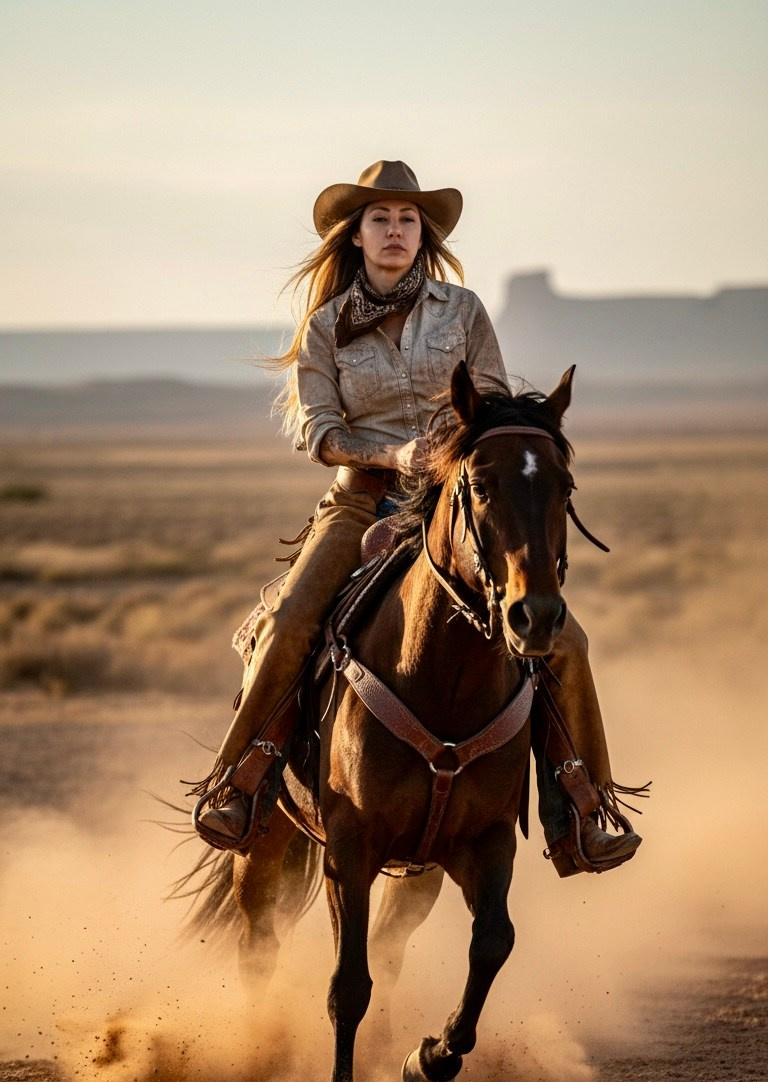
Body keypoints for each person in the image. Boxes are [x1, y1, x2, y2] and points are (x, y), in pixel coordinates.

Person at [191, 160, 642, 874]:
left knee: (565, 642)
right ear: (358, 236)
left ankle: (582, 809)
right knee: (289, 621)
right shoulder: (327, 327)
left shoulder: (462, 311)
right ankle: (240, 784)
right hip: (361, 499)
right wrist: (394, 453)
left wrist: (469, 458)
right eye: (381, 219)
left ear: (421, 235)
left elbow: (488, 404)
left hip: (455, 502)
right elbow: (317, 431)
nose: (396, 230)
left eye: (407, 219)